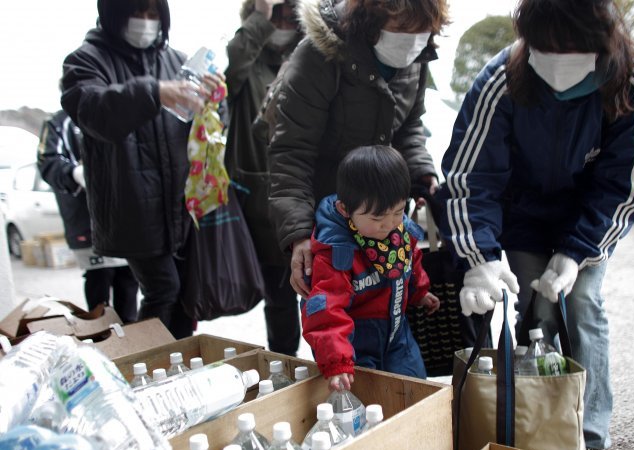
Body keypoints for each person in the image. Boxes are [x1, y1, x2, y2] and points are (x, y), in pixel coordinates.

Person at [436, 0, 634, 450]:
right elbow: (470, 177)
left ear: (603, 37)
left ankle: (589, 431)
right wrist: (480, 258)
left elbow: (627, 182)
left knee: (578, 303)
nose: (558, 58)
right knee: (523, 311)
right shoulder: (502, 78)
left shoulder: (633, 81)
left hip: (584, 219)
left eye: (572, 46)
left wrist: (577, 253)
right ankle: (528, 420)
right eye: (545, 46)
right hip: (519, 217)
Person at [60, 0, 224, 338]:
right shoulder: (85, 60)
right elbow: (93, 110)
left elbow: (202, 130)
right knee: (163, 289)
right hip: (131, 207)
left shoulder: (176, 61)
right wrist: (154, 92)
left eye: (153, 15)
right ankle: (146, 367)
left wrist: (214, 99)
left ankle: (178, 363)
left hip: (181, 208)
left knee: (184, 297)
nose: (145, 22)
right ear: (113, 15)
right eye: (137, 13)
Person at [267, 0, 449, 299]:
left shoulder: (417, 58)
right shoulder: (319, 55)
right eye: (402, 27)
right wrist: (299, 235)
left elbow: (409, 127)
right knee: (334, 320)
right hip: (330, 220)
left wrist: (422, 171)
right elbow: (291, 153)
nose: (412, 39)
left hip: (383, 221)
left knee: (386, 315)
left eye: (422, 30)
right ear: (370, 17)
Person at [302, 145, 439, 391]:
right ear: (345, 210)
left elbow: (411, 260)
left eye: (397, 212)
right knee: (370, 400)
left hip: (398, 336)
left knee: (414, 389)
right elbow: (326, 309)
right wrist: (338, 360)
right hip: (354, 346)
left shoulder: (401, 231)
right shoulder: (336, 250)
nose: (388, 225)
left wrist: (420, 291)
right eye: (377, 219)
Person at [225, 0, 303, 356]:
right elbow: (227, 75)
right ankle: (288, 370)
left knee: (325, 296)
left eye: (290, 14)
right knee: (280, 298)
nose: (283, 21)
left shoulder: (312, 56)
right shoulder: (247, 59)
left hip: (307, 194)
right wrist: (260, 18)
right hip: (259, 204)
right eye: (277, 14)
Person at [37, 109, 139, 323]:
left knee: (129, 284)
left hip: (126, 220)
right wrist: (74, 173)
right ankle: (102, 341)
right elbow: (47, 162)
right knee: (99, 285)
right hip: (86, 221)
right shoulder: (59, 123)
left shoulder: (114, 112)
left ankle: (132, 343)